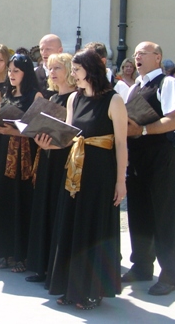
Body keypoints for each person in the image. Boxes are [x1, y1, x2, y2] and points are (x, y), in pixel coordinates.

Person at [39, 49, 127, 310]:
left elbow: (121, 144)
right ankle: (70, 287)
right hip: (75, 171)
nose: (74, 75)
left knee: (92, 229)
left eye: (77, 70)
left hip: (100, 174)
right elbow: (68, 137)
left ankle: (92, 291)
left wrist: (120, 181)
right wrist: (47, 144)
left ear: (90, 70)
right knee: (71, 226)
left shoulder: (114, 100)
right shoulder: (74, 99)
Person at [124, 41, 175, 296]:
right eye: (135, 54)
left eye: (142, 53)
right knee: (138, 212)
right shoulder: (135, 86)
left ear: (157, 57)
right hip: (137, 155)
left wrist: (144, 129)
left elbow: (173, 120)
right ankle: (141, 266)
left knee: (162, 215)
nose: (136, 57)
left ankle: (168, 274)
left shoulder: (167, 83)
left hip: (159, 155)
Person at [25, 52, 77, 283]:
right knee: (44, 207)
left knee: (57, 209)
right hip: (47, 156)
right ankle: (41, 265)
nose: (52, 72)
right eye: (50, 68)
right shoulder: (53, 98)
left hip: (64, 160)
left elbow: (73, 133)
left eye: (58, 68)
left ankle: (55, 268)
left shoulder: (76, 98)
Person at [0, 53, 43, 272]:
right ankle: (6, 251)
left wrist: (11, 130)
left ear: (26, 73)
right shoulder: (7, 93)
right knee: (5, 199)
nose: (11, 74)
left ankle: (23, 255)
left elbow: (37, 128)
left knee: (23, 199)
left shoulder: (35, 95)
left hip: (25, 154)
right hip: (6, 151)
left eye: (16, 71)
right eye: (10, 70)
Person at [36, 34, 64, 99]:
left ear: (60, 51)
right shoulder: (34, 73)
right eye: (41, 49)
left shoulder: (67, 73)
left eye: (48, 49)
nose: (44, 53)